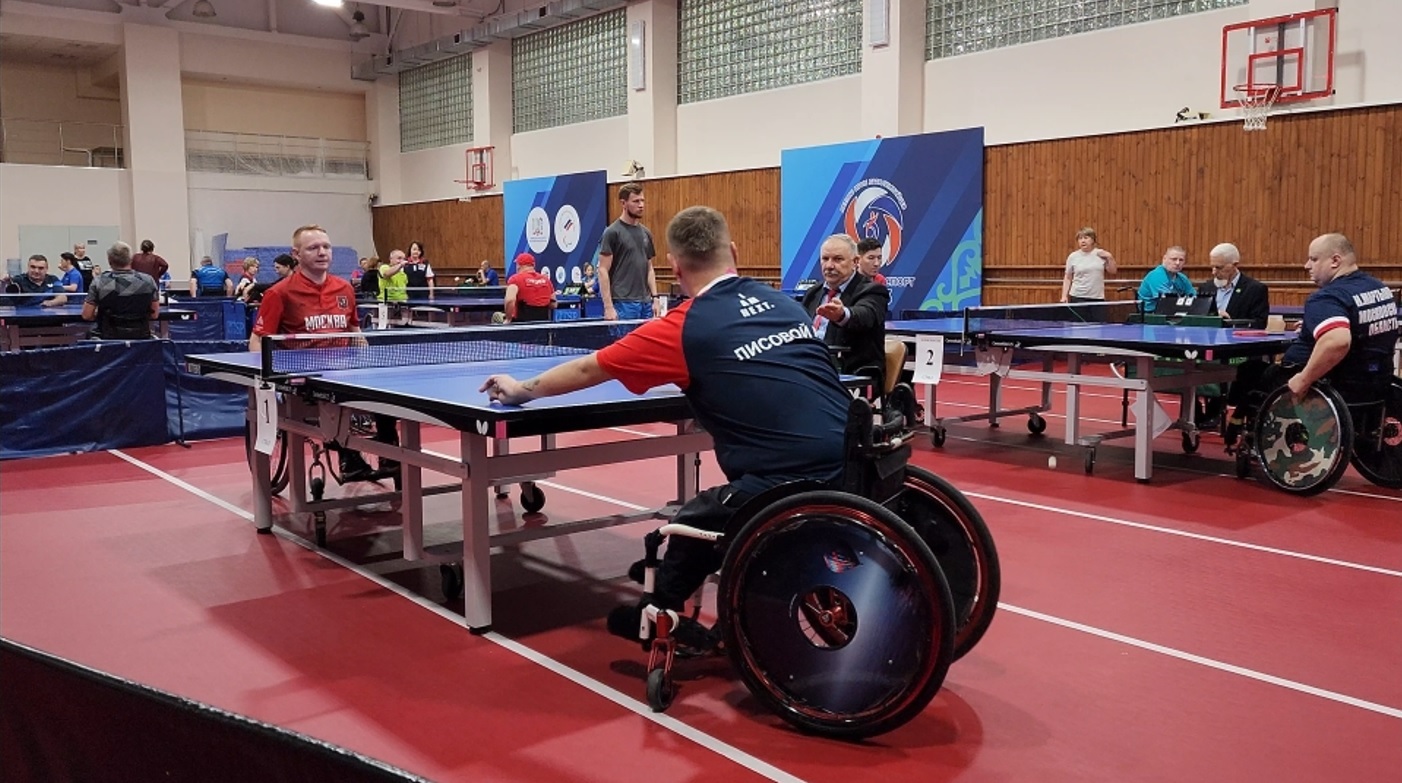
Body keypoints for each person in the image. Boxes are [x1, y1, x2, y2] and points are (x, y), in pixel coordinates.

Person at [480, 205, 849, 652]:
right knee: (714, 510)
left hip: (786, 483)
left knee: (691, 522)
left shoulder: (680, 329)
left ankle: (655, 614)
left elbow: (588, 369)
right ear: (733, 252)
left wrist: (520, 389)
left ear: (674, 268)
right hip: (856, 459)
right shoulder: (785, 303)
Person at [251, 225, 399, 483]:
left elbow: (354, 332)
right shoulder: (279, 293)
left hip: (345, 369)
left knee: (388, 391)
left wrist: (371, 365)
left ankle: (390, 454)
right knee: (333, 394)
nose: (322, 252)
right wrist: (267, 379)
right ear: (296, 254)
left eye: (326, 247)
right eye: (313, 248)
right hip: (305, 376)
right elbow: (258, 340)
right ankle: (348, 458)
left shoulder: (344, 288)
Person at [1224, 233, 1399, 448]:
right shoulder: (1378, 288)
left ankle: (1236, 428)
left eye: (1314, 259)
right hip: (1375, 382)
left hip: (1334, 383)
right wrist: (1311, 328)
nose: (1307, 265)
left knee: (1251, 371)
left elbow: (1337, 341)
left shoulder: (1327, 296)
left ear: (1335, 261)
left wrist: (1304, 379)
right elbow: (1361, 327)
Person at [800, 234, 891, 382]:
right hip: (810, 367)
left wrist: (843, 315)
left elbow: (865, 315)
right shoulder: (813, 293)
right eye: (825, 259)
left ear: (855, 262)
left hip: (850, 373)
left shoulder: (873, 291)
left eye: (838, 259)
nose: (829, 266)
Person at [598, 182, 658, 321]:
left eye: (642, 201)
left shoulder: (646, 233)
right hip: (623, 302)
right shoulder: (612, 232)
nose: (641, 205)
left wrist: (655, 298)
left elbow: (649, 268)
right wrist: (608, 307)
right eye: (636, 201)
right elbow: (602, 270)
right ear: (623, 203)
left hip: (645, 302)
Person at [82, 241, 159, 340]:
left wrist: (103, 315)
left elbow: (87, 315)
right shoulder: (148, 281)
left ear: (109, 260)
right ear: (131, 260)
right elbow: (154, 314)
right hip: (141, 337)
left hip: (108, 338)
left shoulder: (99, 281)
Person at [1200, 242, 1270, 328]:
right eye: (1212, 267)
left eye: (1219, 267)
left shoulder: (1255, 290)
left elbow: (1259, 324)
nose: (1213, 272)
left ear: (1235, 265)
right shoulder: (1206, 288)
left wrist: (1230, 322)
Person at [1060, 227, 1116, 303]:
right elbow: (1068, 277)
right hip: (1078, 296)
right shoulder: (1073, 256)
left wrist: (1110, 257)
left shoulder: (1101, 254)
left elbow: (1113, 271)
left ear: (1092, 240)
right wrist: (1064, 296)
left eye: (1086, 238)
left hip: (1097, 297)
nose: (1083, 241)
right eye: (1080, 238)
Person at [1137, 246, 1194, 313]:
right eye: (1174, 259)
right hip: (1150, 314)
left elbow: (1194, 297)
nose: (1177, 263)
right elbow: (1167, 302)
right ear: (1164, 259)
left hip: (1172, 312)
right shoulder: (1157, 275)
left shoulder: (1182, 278)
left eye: (1181, 260)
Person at [504, 253, 557, 323]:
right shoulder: (546, 280)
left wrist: (508, 319)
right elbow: (554, 304)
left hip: (521, 324)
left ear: (519, 265)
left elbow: (510, 300)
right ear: (533, 265)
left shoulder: (515, 279)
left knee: (496, 316)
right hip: (543, 323)